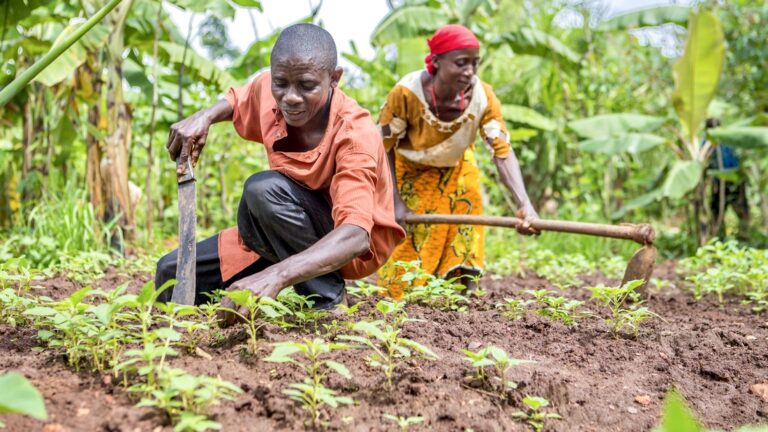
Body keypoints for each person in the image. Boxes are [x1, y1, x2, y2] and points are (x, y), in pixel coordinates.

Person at [155, 24, 404, 311]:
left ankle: (328, 300)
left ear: (334, 78)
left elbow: (356, 235)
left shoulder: (354, 134)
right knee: (170, 274)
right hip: (278, 228)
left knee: (262, 191)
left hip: (345, 245)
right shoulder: (272, 89)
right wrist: (204, 117)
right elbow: (238, 100)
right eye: (281, 83)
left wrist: (276, 276)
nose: (291, 97)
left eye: (307, 86)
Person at [377, 24, 538, 299]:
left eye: (474, 64)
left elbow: (502, 149)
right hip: (409, 169)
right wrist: (394, 200)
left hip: (457, 167)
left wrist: (525, 204)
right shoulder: (406, 94)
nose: (470, 72)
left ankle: (463, 295)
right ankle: (402, 296)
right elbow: (383, 147)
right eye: (461, 63)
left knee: (467, 219)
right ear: (437, 62)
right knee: (411, 237)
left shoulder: (483, 97)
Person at [705, 118, 749, 238]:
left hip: (734, 179)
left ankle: (743, 235)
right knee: (717, 211)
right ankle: (719, 237)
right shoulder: (707, 143)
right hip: (719, 180)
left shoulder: (728, 139)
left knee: (741, 209)